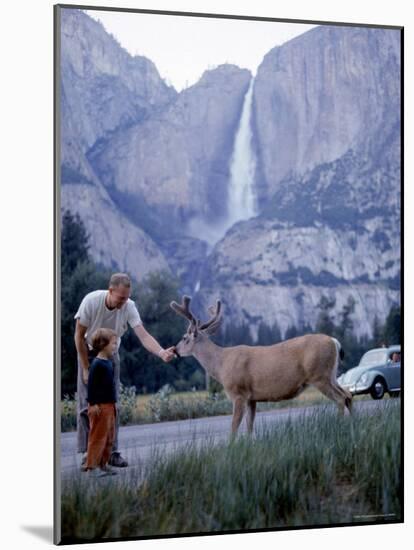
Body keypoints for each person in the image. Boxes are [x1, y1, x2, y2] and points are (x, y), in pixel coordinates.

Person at [74, 272, 176, 468]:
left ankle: (112, 452)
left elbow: (143, 336)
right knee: (87, 406)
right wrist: (86, 368)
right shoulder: (91, 301)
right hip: (88, 352)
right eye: (121, 297)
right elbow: (78, 336)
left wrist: (162, 353)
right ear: (110, 290)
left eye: (127, 297)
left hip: (112, 355)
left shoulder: (129, 306)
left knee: (112, 406)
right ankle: (87, 453)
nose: (124, 301)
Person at [82, 328, 118, 477]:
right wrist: (93, 403)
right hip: (99, 407)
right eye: (114, 344)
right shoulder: (97, 364)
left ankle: (103, 464)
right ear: (103, 344)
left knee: (109, 437)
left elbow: (110, 386)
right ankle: (92, 467)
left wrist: (115, 403)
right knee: (98, 437)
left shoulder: (109, 363)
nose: (115, 346)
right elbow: (91, 386)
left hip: (110, 406)